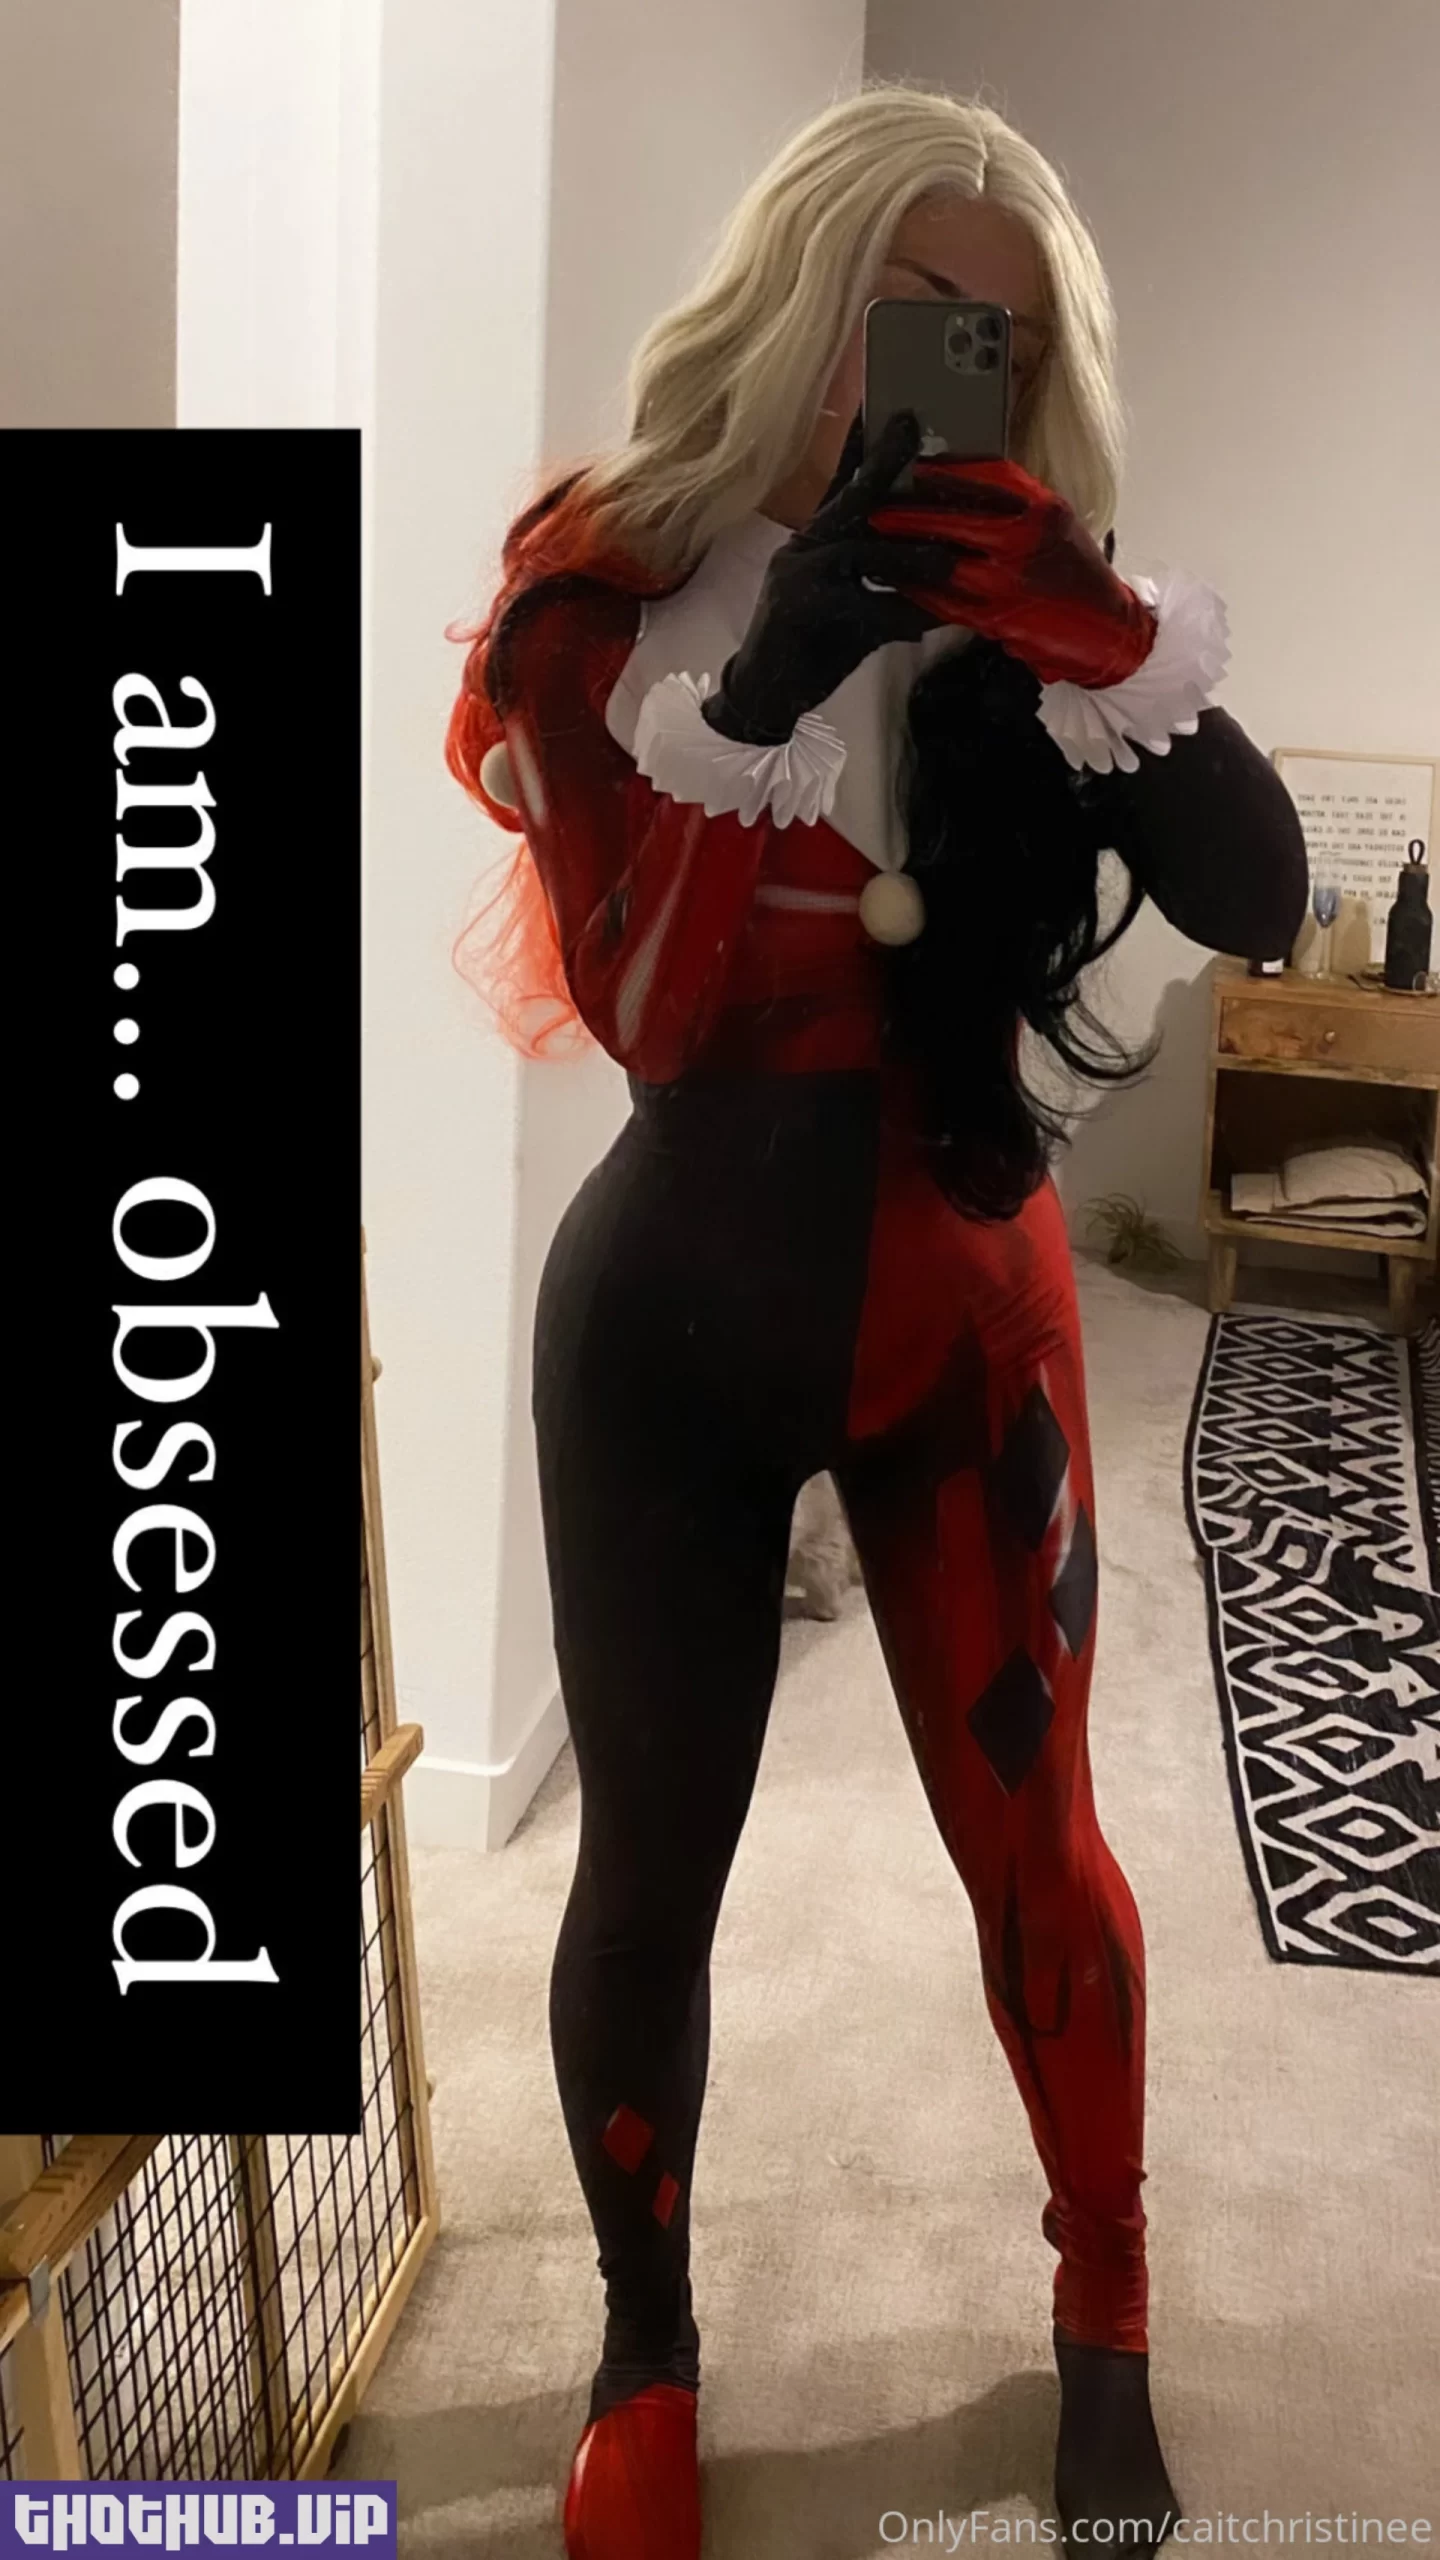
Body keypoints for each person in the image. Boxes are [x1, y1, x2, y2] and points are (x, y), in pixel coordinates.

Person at [446, 83, 1307, 2560]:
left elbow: (1259, 894)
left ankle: (1108, 2309)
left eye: (1004, 337)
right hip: (669, 1327)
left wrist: (1092, 625)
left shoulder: (1039, 604)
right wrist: (776, 661)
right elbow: (638, 1007)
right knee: (649, 1866)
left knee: (1039, 1841)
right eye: (919, 312)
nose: (953, 365)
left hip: (967, 1307)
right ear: (807, 293)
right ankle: (641, 2346)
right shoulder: (602, 591)